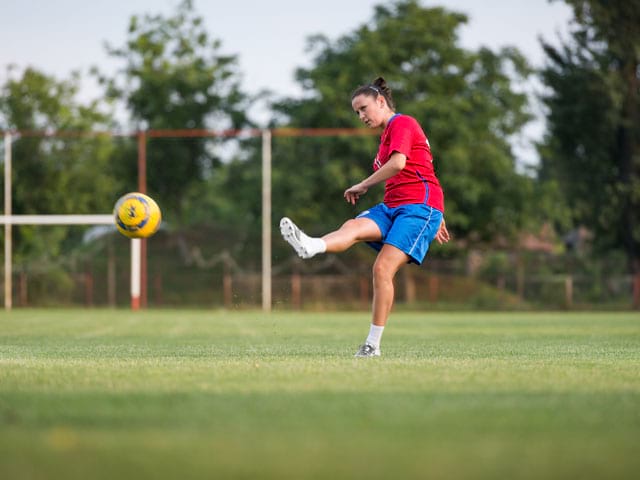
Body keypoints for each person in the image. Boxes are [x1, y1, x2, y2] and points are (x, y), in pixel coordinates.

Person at [280, 77, 449, 357]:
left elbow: (399, 164)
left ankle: (372, 345)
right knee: (353, 226)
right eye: (356, 112)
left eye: (363, 108)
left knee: (382, 269)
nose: (361, 116)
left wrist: (364, 184)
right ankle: (312, 245)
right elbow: (423, 167)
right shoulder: (386, 137)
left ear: (381, 102)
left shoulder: (402, 123)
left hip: (417, 208)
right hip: (394, 206)